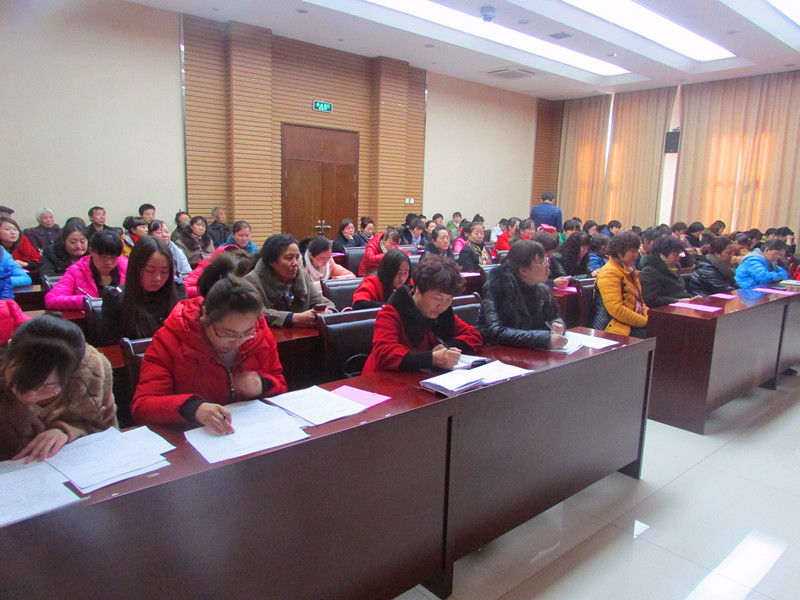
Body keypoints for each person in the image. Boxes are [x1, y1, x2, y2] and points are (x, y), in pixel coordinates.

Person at [131, 272, 287, 431]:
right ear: (205, 314)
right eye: (227, 334)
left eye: (247, 333)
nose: (237, 341)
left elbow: (280, 385)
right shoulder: (169, 340)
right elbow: (142, 406)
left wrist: (263, 385)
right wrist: (192, 408)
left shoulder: (260, 334)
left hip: (250, 430)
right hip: (194, 435)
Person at [0, 315, 117, 462]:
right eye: (19, 379)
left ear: (74, 372)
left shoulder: (92, 371)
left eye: (47, 386)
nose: (28, 394)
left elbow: (109, 433)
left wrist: (69, 431)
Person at [362, 254, 482, 373]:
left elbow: (473, 335)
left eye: (449, 299)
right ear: (418, 289)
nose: (442, 306)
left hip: (421, 377)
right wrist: (430, 358)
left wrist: (446, 349)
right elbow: (385, 353)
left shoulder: (443, 313)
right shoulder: (393, 312)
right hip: (382, 379)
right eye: (438, 298)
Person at [477, 240, 567, 350]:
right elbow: (497, 331)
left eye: (546, 260)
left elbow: (554, 316)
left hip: (530, 350)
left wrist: (557, 324)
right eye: (541, 262)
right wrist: (544, 339)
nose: (548, 265)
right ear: (524, 270)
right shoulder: (497, 288)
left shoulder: (542, 288)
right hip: (500, 351)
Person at [100, 236, 179, 345]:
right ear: (136, 268)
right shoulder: (116, 298)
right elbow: (111, 347)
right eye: (150, 270)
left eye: (164, 272)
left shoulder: (177, 292)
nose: (157, 278)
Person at [245, 234, 335, 327]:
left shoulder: (301, 276)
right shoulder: (251, 282)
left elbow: (325, 302)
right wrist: (292, 318)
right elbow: (255, 313)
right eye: (289, 258)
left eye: (297, 258)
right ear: (272, 261)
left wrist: (327, 312)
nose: (295, 263)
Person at [45, 230, 128, 313]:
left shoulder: (127, 266)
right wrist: (86, 301)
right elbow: (51, 299)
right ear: (91, 251)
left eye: (113, 257)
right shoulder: (77, 270)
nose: (108, 262)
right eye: (103, 257)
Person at [596, 231, 648, 338]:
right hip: (615, 326)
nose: (636, 255)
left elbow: (641, 302)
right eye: (632, 251)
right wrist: (645, 322)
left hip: (632, 323)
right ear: (620, 253)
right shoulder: (609, 273)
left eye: (637, 251)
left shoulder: (630, 271)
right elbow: (616, 310)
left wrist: (649, 318)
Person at [639, 236, 692, 307]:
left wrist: (692, 298)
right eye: (675, 255)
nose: (678, 259)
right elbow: (651, 300)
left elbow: (681, 293)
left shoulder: (675, 269)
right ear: (662, 255)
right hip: (665, 310)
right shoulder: (649, 272)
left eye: (679, 255)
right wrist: (676, 301)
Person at [148, 219, 192, 285]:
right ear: (150, 235)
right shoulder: (147, 251)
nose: (164, 235)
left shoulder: (177, 250)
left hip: (178, 284)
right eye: (159, 232)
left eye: (167, 232)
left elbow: (187, 272)